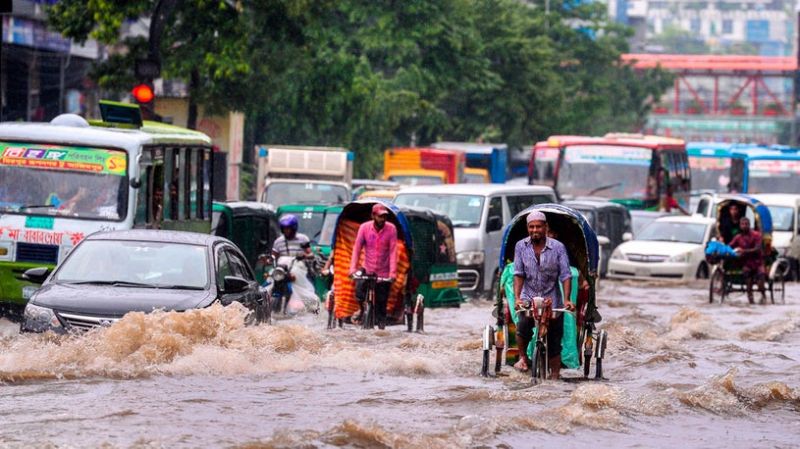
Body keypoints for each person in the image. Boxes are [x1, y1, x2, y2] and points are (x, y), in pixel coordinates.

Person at [512, 211, 573, 379]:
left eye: (538, 226)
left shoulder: (558, 247)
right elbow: (518, 274)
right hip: (528, 296)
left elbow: (566, 275)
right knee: (523, 326)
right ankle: (523, 358)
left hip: (552, 298)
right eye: (531, 227)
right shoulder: (520, 246)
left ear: (545, 227)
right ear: (527, 228)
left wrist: (567, 299)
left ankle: (554, 376)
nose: (535, 230)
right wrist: (517, 298)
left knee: (554, 339)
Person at [349, 204, 398, 329]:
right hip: (367, 268)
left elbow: (393, 251)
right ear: (373, 216)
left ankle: (381, 328)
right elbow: (357, 248)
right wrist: (353, 269)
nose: (383, 219)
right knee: (359, 291)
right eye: (380, 216)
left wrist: (392, 274)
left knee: (381, 305)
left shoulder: (391, 229)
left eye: (384, 216)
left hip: (384, 271)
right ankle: (362, 309)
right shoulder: (364, 228)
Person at [729, 217, 767, 304]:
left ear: (749, 225)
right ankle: (751, 302)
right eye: (742, 224)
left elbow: (758, 249)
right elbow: (730, 246)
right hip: (746, 263)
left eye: (746, 224)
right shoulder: (738, 237)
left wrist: (744, 251)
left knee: (760, 285)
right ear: (740, 226)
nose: (744, 226)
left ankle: (763, 296)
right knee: (748, 285)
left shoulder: (757, 235)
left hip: (758, 263)